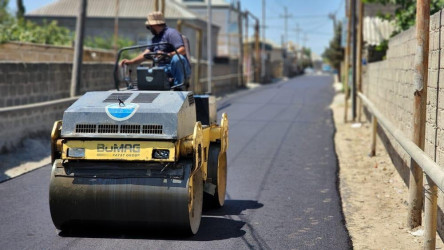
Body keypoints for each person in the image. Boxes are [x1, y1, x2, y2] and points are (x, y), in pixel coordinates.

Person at [120, 11, 191, 87]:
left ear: (154, 25)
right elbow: (145, 54)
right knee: (146, 73)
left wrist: (167, 54)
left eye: (149, 27)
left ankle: (178, 86)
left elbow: (182, 50)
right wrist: (131, 61)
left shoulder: (171, 33)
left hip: (176, 69)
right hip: (162, 69)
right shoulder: (155, 39)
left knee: (177, 58)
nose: (149, 29)